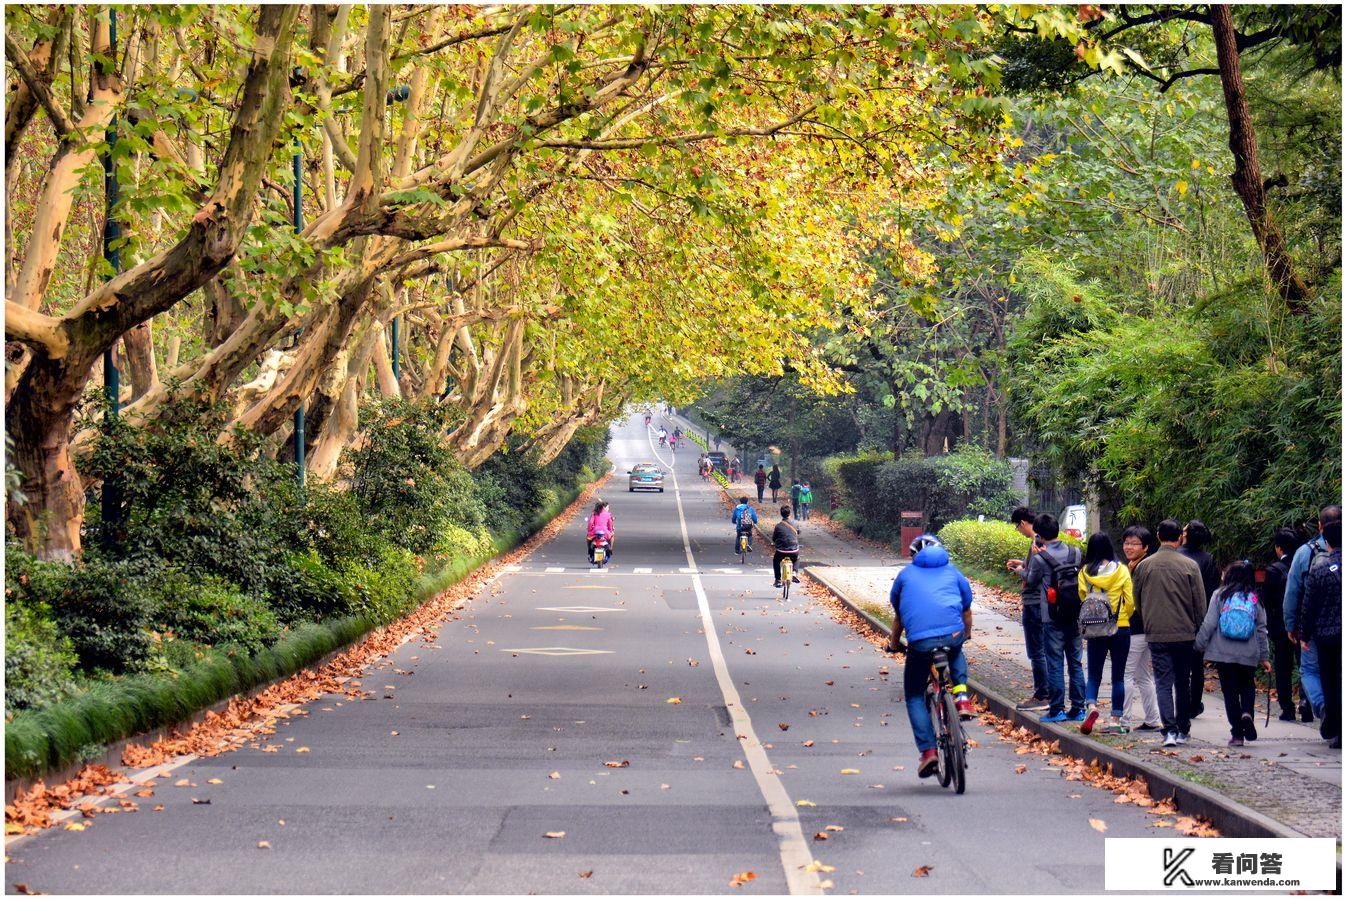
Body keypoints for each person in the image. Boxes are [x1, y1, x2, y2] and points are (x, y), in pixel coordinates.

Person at [882, 534, 974, 778]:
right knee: (956, 649)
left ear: (914, 555)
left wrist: (893, 644)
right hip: (952, 633)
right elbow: (966, 610)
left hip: (921, 642)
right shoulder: (954, 572)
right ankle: (962, 697)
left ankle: (929, 752)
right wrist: (966, 635)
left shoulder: (905, 576)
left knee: (913, 695)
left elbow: (899, 615)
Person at [1133, 518, 1208, 748]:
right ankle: (1183, 728)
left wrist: (1149, 619)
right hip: (1184, 632)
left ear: (1158, 536)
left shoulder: (1145, 566)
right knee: (1182, 682)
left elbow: (1137, 600)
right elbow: (1200, 604)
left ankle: (1169, 729)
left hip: (1156, 631)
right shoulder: (1189, 566)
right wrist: (1198, 628)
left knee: (1162, 681)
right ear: (1179, 538)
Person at [1194, 561, 1271, 747]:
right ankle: (1247, 713)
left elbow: (1210, 623)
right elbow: (1261, 629)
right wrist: (1264, 656)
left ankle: (1237, 734)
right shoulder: (1254, 598)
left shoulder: (1220, 595)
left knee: (1229, 692)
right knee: (1247, 686)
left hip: (1223, 653)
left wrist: (1199, 644)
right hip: (1248, 652)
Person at [1024, 513, 1086, 723]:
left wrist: (1020, 570)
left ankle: (1057, 709)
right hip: (1074, 614)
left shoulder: (1040, 558)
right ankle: (1078, 709)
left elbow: (1031, 582)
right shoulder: (1075, 553)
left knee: (1055, 663)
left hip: (1051, 616)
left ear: (1039, 535)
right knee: (1075, 663)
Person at [1284, 505, 1342, 723]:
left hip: (1319, 628)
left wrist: (1293, 626)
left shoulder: (1305, 553)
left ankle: (1324, 707)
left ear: (1320, 526)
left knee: (1310, 670)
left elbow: (1294, 593)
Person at [1078, 533, 1134, 735]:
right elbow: (1130, 601)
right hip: (1120, 626)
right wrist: (1122, 618)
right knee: (1118, 676)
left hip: (1095, 627)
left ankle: (1091, 706)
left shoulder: (1085, 572)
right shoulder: (1122, 570)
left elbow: (1083, 597)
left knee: (1094, 674)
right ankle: (1115, 720)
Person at [1299, 518, 1342, 748]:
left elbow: (1309, 605)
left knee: (1331, 682)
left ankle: (1336, 728)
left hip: (1326, 635)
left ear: (1326, 540)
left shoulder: (1320, 567)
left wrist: (1305, 635)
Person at [1120, 525, 1163, 732]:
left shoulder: (1142, 568)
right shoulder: (1132, 566)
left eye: (1134, 544)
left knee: (1126, 674)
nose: (1129, 547)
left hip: (1137, 627)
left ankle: (1123, 720)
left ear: (1145, 547)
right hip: (1145, 628)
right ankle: (1152, 719)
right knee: (1143, 675)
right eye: (1127, 542)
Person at [1007, 506, 1050, 710]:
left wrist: (1019, 571)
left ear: (1023, 523)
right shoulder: (1044, 540)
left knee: (1037, 651)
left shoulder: (1036, 542)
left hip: (1034, 603)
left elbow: (1033, 578)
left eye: (1018, 527)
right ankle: (1049, 692)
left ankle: (1042, 694)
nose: (1019, 531)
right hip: (1044, 603)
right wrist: (1022, 564)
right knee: (1045, 649)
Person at [1180, 520, 1220, 719]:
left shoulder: (1177, 556)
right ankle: (1194, 703)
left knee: (1178, 663)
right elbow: (1212, 589)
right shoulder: (1208, 559)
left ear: (1185, 534)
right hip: (1199, 615)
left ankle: (1181, 700)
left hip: (1178, 613)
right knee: (1196, 665)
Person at [1263, 527, 1305, 721]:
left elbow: (1267, 600)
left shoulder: (1273, 570)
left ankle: (1287, 708)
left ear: (1278, 548)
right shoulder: (1305, 564)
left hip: (1280, 626)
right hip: (1303, 623)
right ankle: (1306, 705)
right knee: (1305, 665)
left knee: (1283, 666)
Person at [771, 505, 801, 589]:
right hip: (793, 550)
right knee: (797, 558)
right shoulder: (795, 523)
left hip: (781, 551)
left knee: (776, 560)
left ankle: (778, 580)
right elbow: (798, 532)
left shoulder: (778, 526)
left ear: (781, 514)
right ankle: (794, 572)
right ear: (790, 513)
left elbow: (774, 538)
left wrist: (776, 542)